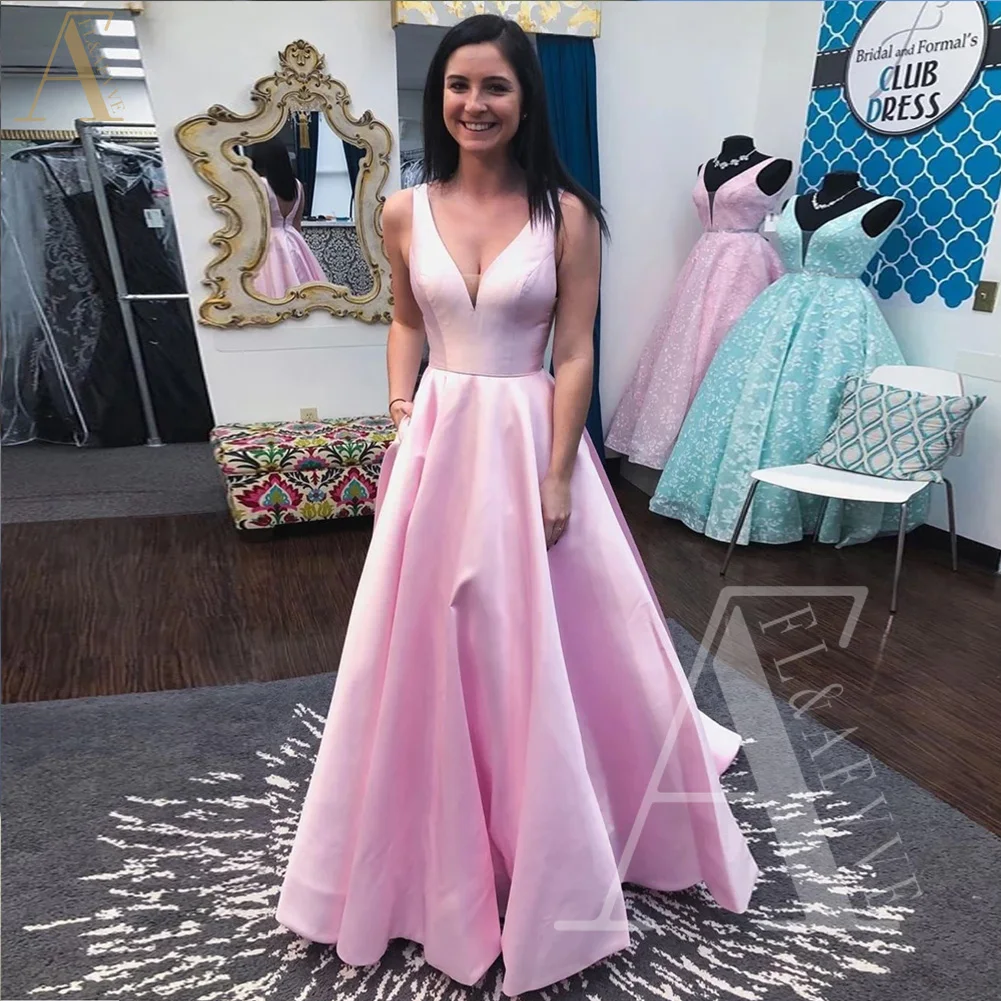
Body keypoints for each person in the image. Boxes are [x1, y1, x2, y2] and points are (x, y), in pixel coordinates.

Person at [276, 14, 758, 995]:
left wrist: (556, 471)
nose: (474, 103)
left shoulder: (565, 215)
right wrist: (402, 409)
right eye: (458, 86)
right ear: (439, 97)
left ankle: (573, 816)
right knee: (426, 637)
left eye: (494, 86)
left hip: (530, 440)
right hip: (439, 441)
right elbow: (404, 320)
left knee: (553, 638)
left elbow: (573, 350)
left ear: (525, 100)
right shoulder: (404, 210)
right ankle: (428, 830)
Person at [247, 138, 327, 296]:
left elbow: (253, 221)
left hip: (268, 242)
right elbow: (297, 224)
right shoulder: (297, 185)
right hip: (294, 241)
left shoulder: (260, 184)